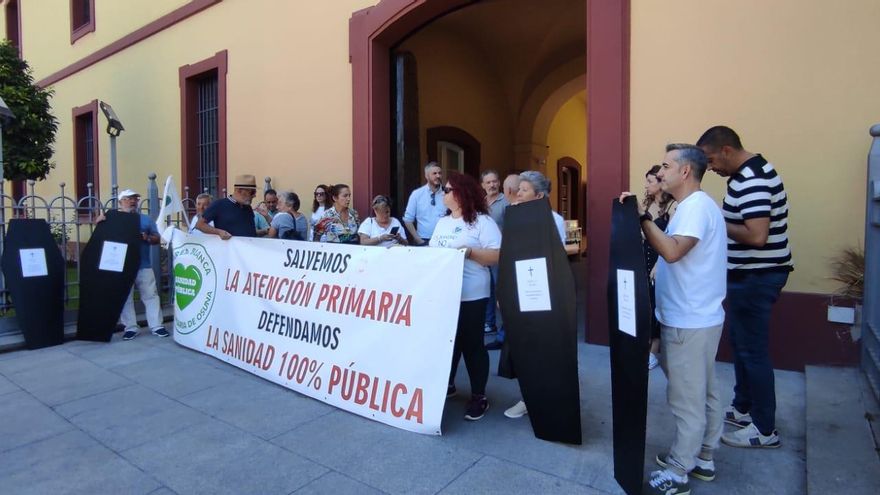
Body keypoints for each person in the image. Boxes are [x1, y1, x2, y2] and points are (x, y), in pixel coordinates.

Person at [621, 143, 727, 495]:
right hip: (694, 317)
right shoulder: (692, 206)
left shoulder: (696, 207)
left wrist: (642, 218)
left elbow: (672, 251)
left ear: (685, 171)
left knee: (686, 399)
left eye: (666, 166)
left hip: (689, 320)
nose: (660, 171)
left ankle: (680, 470)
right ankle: (704, 456)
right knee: (703, 390)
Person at [697, 126, 793, 450]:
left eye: (711, 160)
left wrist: (715, 220)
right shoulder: (745, 176)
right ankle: (743, 408)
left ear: (726, 150)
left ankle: (764, 429)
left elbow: (757, 236)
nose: (710, 167)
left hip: (757, 277)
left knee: (753, 351)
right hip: (748, 276)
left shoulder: (752, 179)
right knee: (741, 344)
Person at [430, 172, 501, 421]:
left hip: (472, 294)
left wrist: (470, 252)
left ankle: (479, 396)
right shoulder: (442, 223)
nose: (443, 193)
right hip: (444, 294)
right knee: (448, 342)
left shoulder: (482, 222)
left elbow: (497, 255)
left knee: (472, 345)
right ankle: (447, 385)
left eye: (447, 190)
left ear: (461, 194)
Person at [502, 170, 568, 419]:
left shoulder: (554, 220)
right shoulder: (514, 216)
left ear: (539, 195)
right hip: (519, 291)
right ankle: (528, 397)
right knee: (524, 346)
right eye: (518, 189)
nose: (518, 193)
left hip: (544, 293)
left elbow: (555, 259)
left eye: (524, 190)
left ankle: (544, 398)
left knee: (543, 348)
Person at [104, 189, 169, 341]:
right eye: (128, 199)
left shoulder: (145, 220)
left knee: (151, 295)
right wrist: (100, 219)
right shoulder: (113, 219)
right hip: (122, 265)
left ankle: (156, 326)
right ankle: (131, 327)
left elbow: (157, 239)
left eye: (135, 199)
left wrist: (147, 238)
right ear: (121, 202)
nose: (132, 201)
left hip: (143, 264)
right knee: (125, 297)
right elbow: (102, 232)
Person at [642, 166, 676, 371]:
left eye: (650, 181)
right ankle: (644, 346)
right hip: (644, 256)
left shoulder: (672, 206)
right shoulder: (646, 205)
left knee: (656, 304)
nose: (646, 185)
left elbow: (671, 237)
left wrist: (658, 264)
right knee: (645, 304)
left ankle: (654, 351)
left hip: (658, 258)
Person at [481, 170, 508, 337]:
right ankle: (489, 323)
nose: (492, 185)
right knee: (487, 289)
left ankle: (507, 327)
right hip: (483, 254)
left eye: (495, 181)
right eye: (488, 182)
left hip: (501, 253)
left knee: (501, 290)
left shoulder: (506, 201)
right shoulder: (481, 203)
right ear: (483, 185)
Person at [195, 174, 258, 239]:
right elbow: (199, 225)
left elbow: (250, 233)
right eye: (252, 192)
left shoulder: (248, 207)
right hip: (229, 245)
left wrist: (264, 231)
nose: (254, 195)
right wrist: (219, 232)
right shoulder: (219, 205)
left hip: (249, 245)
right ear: (239, 191)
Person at [403, 162, 446, 246]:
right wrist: (418, 239)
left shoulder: (447, 193)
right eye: (434, 173)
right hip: (423, 240)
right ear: (426, 176)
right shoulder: (417, 194)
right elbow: (408, 219)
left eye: (440, 173)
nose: (438, 176)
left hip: (444, 239)